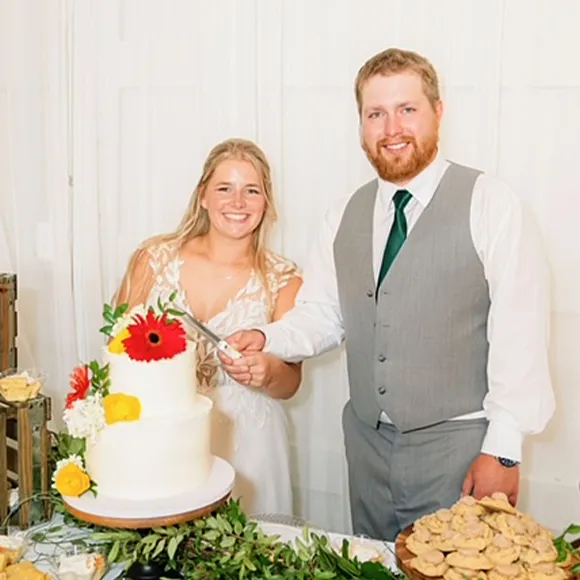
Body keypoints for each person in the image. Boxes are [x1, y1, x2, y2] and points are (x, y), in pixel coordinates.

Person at [220, 48, 555, 541]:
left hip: (459, 450)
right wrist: (265, 339)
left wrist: (504, 450)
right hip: (367, 452)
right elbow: (324, 314)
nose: (391, 127)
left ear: (438, 113)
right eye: (375, 114)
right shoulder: (343, 214)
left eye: (407, 110)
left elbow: (521, 332)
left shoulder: (492, 204)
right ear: (361, 123)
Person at [114, 137, 303, 516]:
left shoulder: (284, 279)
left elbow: (291, 384)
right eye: (224, 189)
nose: (238, 203)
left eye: (251, 191)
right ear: (203, 196)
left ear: (266, 202)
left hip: (251, 448)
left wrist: (266, 372)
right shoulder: (153, 259)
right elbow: (116, 350)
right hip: (163, 436)